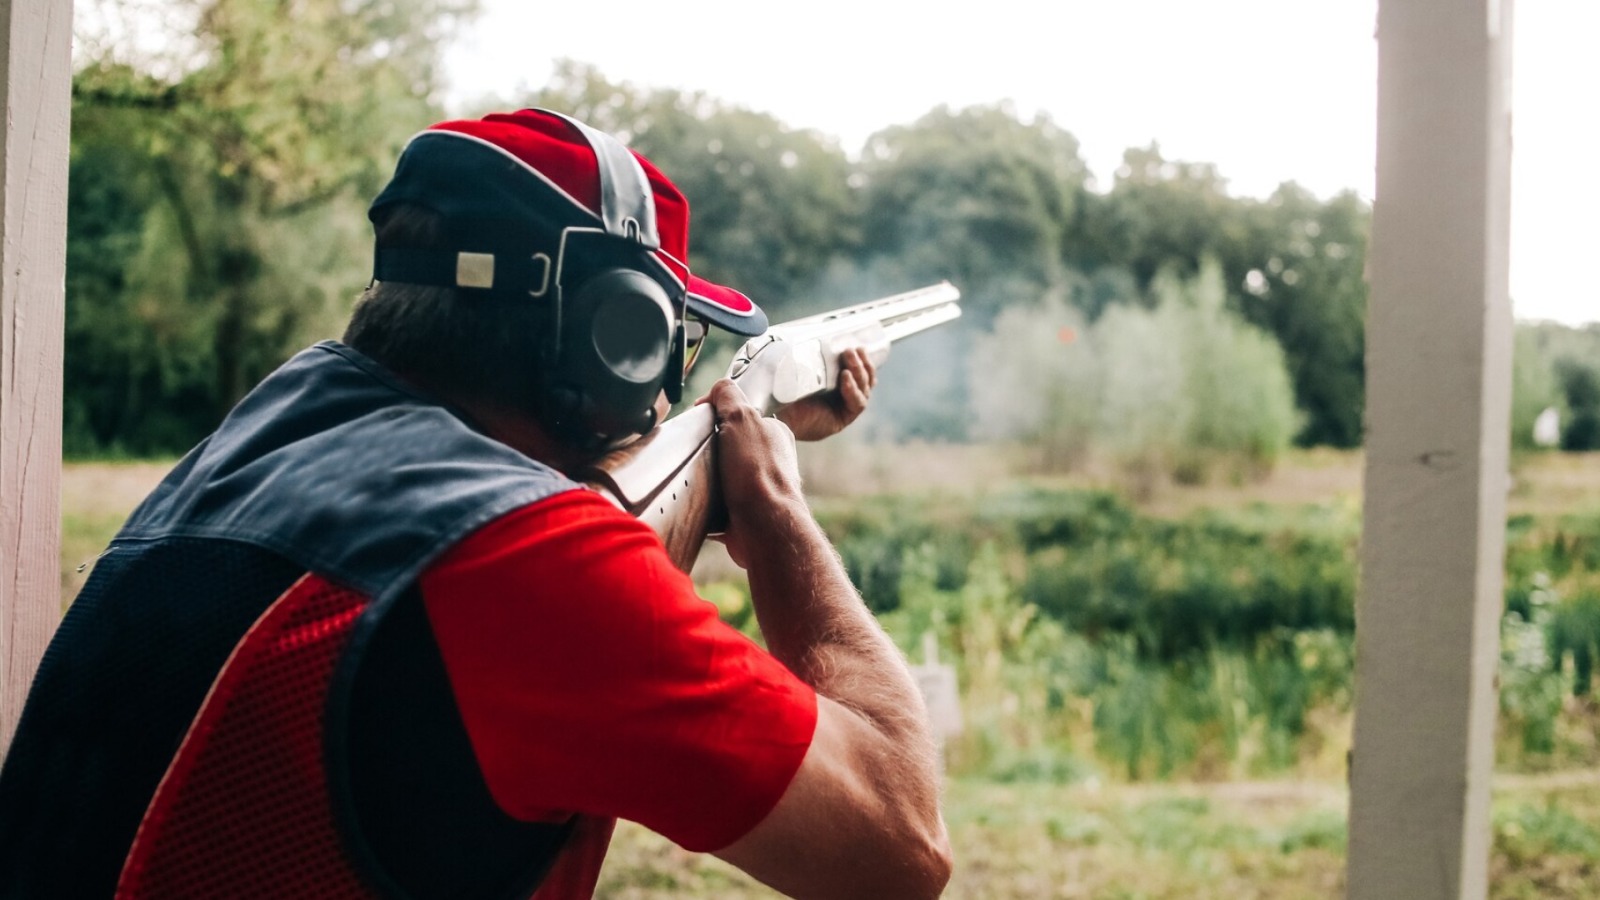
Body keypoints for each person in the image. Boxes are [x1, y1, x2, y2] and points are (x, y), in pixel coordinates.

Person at [0, 109, 950, 899]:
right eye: (670, 345)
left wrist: (716, 452)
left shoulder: (248, 452)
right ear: (617, 341)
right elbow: (899, 848)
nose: (668, 388)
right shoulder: (524, 557)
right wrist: (774, 503)